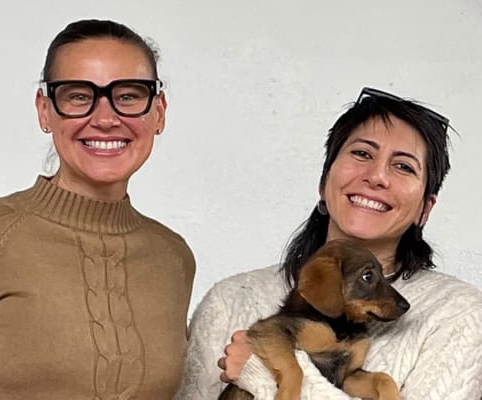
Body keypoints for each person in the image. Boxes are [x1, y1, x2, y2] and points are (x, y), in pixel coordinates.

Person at [176, 87, 482, 399]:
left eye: (403, 166)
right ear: (324, 183)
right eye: (362, 153)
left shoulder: (458, 315)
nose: (377, 176)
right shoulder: (229, 301)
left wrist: (263, 375)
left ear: (425, 209)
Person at [0, 19, 195, 400]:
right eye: (79, 96)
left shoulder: (173, 256)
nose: (105, 118)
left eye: (130, 95)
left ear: (159, 112)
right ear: (45, 111)